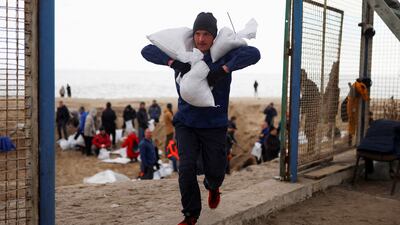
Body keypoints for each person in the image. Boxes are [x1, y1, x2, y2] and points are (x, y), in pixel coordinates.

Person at [141, 12, 260, 225]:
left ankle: (213, 187)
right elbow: (147, 50)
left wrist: (223, 69)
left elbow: (254, 54)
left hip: (214, 125)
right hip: (186, 123)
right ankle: (190, 215)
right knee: (185, 168)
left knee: (215, 170)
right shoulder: (183, 54)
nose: (201, 39)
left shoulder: (222, 55)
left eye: (206, 34)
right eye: (197, 34)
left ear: (214, 37)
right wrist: (173, 63)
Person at [300, 69, 321, 154]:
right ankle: (310, 149)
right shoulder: (307, 84)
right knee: (308, 131)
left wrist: (302, 111)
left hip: (313, 110)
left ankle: (311, 150)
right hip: (311, 110)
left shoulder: (307, 85)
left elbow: (306, 99)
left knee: (310, 131)